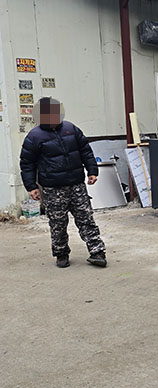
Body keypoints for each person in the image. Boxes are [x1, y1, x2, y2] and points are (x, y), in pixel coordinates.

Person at [20, 97, 107, 268]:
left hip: (77, 185)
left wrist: (92, 171)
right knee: (58, 223)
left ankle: (97, 252)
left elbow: (85, 151)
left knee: (86, 219)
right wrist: (31, 186)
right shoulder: (34, 137)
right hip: (53, 188)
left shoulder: (71, 129)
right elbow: (27, 164)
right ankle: (61, 253)